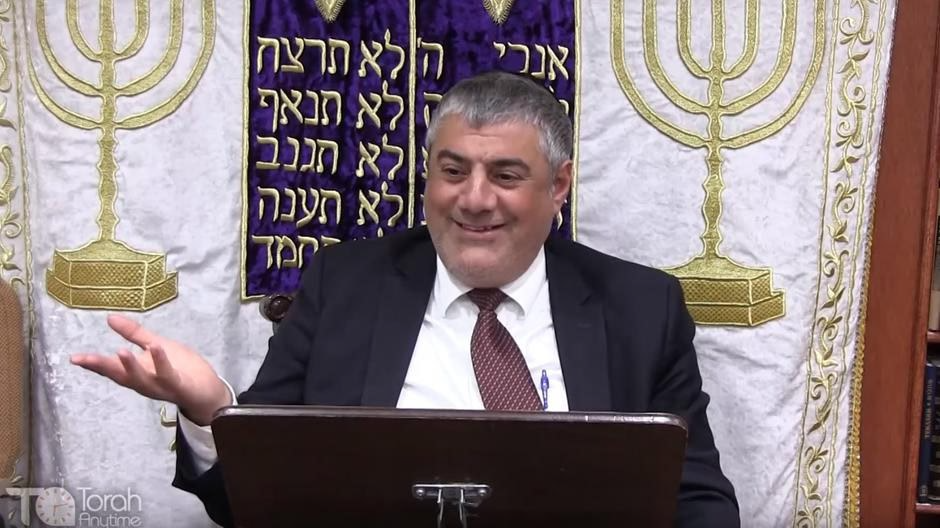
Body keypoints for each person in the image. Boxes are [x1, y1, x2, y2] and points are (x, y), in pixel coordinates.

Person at [72, 70, 739, 526]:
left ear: (558, 186)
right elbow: (254, 500)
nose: (474, 199)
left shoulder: (641, 308)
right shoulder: (344, 286)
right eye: (453, 171)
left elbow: (699, 502)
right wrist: (210, 411)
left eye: (506, 175)